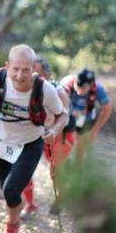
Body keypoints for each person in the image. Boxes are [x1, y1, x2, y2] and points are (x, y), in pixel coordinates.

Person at [0, 45, 66, 233]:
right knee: (7, 190)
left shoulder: (45, 89)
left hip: (30, 145)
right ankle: (16, 210)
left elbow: (62, 115)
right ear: (8, 66)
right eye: (15, 69)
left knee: (10, 191)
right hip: (2, 141)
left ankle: (12, 226)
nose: (19, 75)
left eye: (26, 69)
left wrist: (54, 130)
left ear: (34, 69)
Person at [33, 57, 71, 216]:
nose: (34, 75)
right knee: (52, 168)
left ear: (47, 74)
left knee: (57, 169)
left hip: (59, 136)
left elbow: (65, 114)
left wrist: (54, 130)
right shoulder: (30, 88)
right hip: (39, 135)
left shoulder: (58, 89)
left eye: (38, 72)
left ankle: (60, 197)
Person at [59, 68, 112, 162]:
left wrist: (95, 130)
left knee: (81, 147)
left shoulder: (98, 89)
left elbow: (107, 109)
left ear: (91, 85)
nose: (79, 91)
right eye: (78, 86)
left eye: (83, 88)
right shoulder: (66, 83)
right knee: (63, 145)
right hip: (68, 117)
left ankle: (78, 168)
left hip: (86, 119)